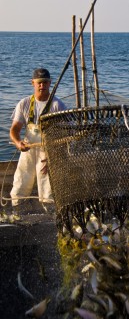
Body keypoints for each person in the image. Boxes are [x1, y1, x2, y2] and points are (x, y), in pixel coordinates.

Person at [10, 68, 67, 211]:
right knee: (21, 181)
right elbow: (14, 130)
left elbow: (65, 134)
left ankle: (49, 213)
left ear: (50, 83)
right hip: (27, 148)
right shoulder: (24, 103)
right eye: (39, 83)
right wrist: (18, 143)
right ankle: (17, 209)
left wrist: (53, 155)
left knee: (47, 186)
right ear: (33, 83)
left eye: (45, 82)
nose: (42, 86)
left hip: (48, 151)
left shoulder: (57, 105)